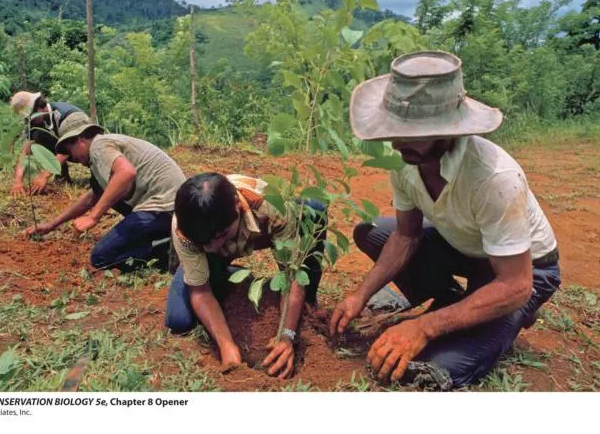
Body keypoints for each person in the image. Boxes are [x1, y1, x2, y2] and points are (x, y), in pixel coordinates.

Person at [330, 50, 560, 390]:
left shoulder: (494, 178)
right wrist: (359, 296)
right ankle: (457, 304)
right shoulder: (410, 162)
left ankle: (506, 317)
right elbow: (406, 237)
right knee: (374, 232)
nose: (396, 144)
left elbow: (515, 283)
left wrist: (424, 327)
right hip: (466, 246)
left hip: (521, 270)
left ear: (447, 130)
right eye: (395, 131)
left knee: (429, 371)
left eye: (410, 134)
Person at [165, 173, 326, 379]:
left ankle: (309, 302)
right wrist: (227, 347)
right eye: (204, 243)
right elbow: (200, 291)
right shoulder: (184, 228)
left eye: (221, 235)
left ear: (237, 207)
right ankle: (227, 276)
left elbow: (291, 276)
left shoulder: (272, 206)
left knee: (314, 209)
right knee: (179, 319)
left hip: (264, 227)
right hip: (206, 256)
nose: (213, 247)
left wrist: (287, 336)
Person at [24, 113, 186, 272]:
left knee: (102, 257)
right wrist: (51, 225)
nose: (72, 157)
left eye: (70, 150)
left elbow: (126, 173)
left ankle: (167, 250)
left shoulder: (98, 146)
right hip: (171, 208)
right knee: (109, 195)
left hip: (164, 207)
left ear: (80, 140)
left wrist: (93, 217)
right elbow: (91, 197)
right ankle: (166, 239)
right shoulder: (102, 153)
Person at [9, 91, 87, 196]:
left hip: (86, 149)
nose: (29, 121)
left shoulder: (68, 115)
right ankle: (62, 176)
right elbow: (25, 153)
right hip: (67, 149)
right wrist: (18, 181)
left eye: (31, 116)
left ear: (40, 106)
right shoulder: (35, 123)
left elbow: (68, 148)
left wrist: (44, 176)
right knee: (38, 135)